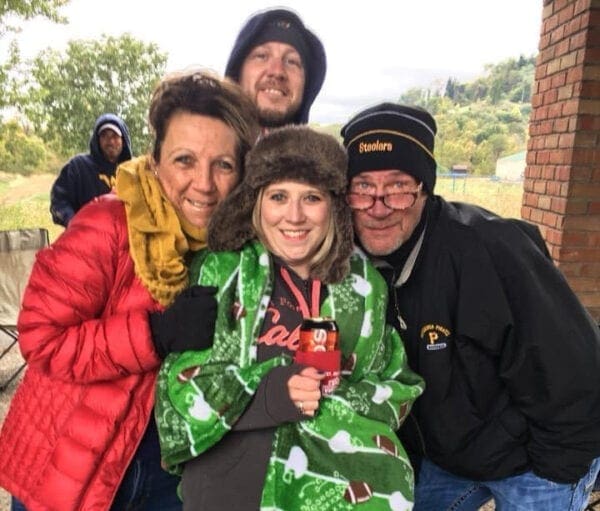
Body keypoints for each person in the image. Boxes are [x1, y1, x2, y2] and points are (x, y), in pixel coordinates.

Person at [0, 70, 260, 511]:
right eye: (185, 160)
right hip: (76, 468)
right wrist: (154, 334)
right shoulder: (108, 226)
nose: (204, 183)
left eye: (223, 164)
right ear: (156, 162)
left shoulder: (234, 250)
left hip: (171, 470)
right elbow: (41, 339)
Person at [340, 102, 600, 511]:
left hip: (537, 460)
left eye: (398, 186)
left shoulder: (493, 250)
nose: (378, 205)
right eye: (362, 187)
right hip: (448, 458)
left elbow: (577, 368)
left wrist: (558, 473)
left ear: (425, 189)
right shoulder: (355, 268)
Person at [155, 125, 425, 510]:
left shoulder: (364, 285)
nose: (294, 216)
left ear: (333, 206)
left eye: (311, 197)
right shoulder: (222, 272)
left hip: (333, 492)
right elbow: (180, 388)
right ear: (256, 202)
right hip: (229, 492)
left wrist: (330, 399)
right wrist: (273, 391)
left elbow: (396, 383)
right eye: (279, 196)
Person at [225, 7, 326, 129]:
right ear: (237, 74)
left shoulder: (324, 148)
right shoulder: (201, 143)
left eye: (291, 61)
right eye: (262, 56)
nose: (277, 71)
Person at [49, 113, 133, 227]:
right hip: (87, 238)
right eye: (105, 136)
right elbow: (59, 202)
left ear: (123, 140)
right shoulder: (78, 167)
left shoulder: (133, 171)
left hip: (125, 240)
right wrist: (73, 223)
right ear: (97, 140)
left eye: (115, 136)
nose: (110, 141)